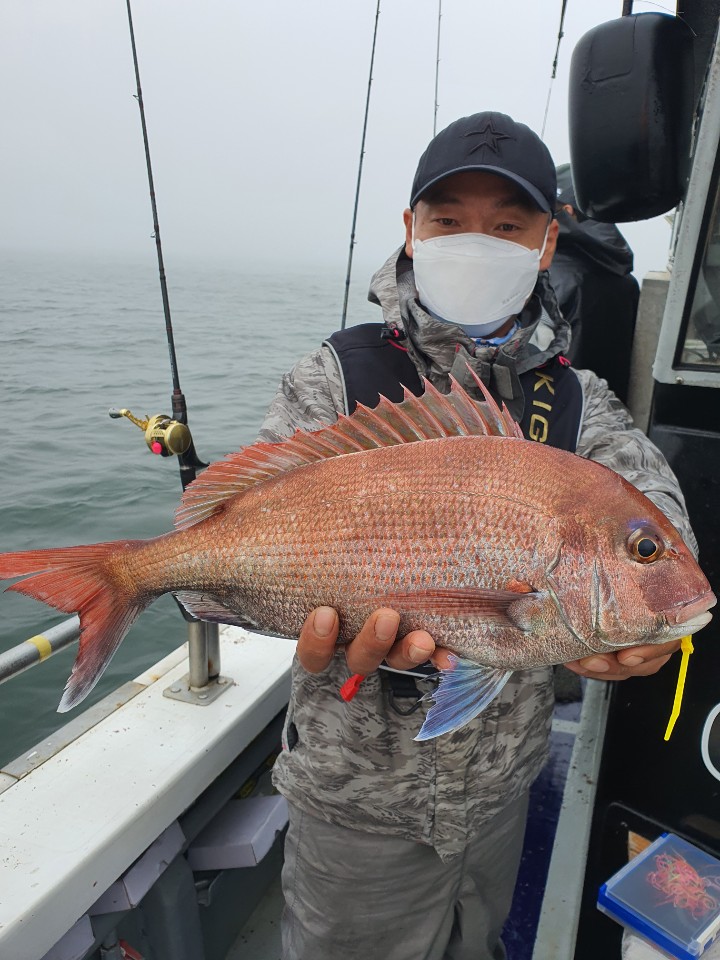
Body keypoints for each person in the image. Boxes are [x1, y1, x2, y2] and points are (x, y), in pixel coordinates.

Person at [259, 112, 698, 960]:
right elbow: (241, 539)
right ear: (411, 231)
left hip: (500, 793)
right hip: (356, 807)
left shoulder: (579, 402)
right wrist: (245, 597)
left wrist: (639, 609)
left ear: (545, 244)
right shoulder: (335, 376)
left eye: (506, 225)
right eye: (448, 218)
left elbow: (650, 512)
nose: (474, 240)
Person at [549, 163, 640, 404]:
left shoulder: (548, 276)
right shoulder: (626, 281)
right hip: (606, 411)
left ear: (567, 211)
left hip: (552, 418)